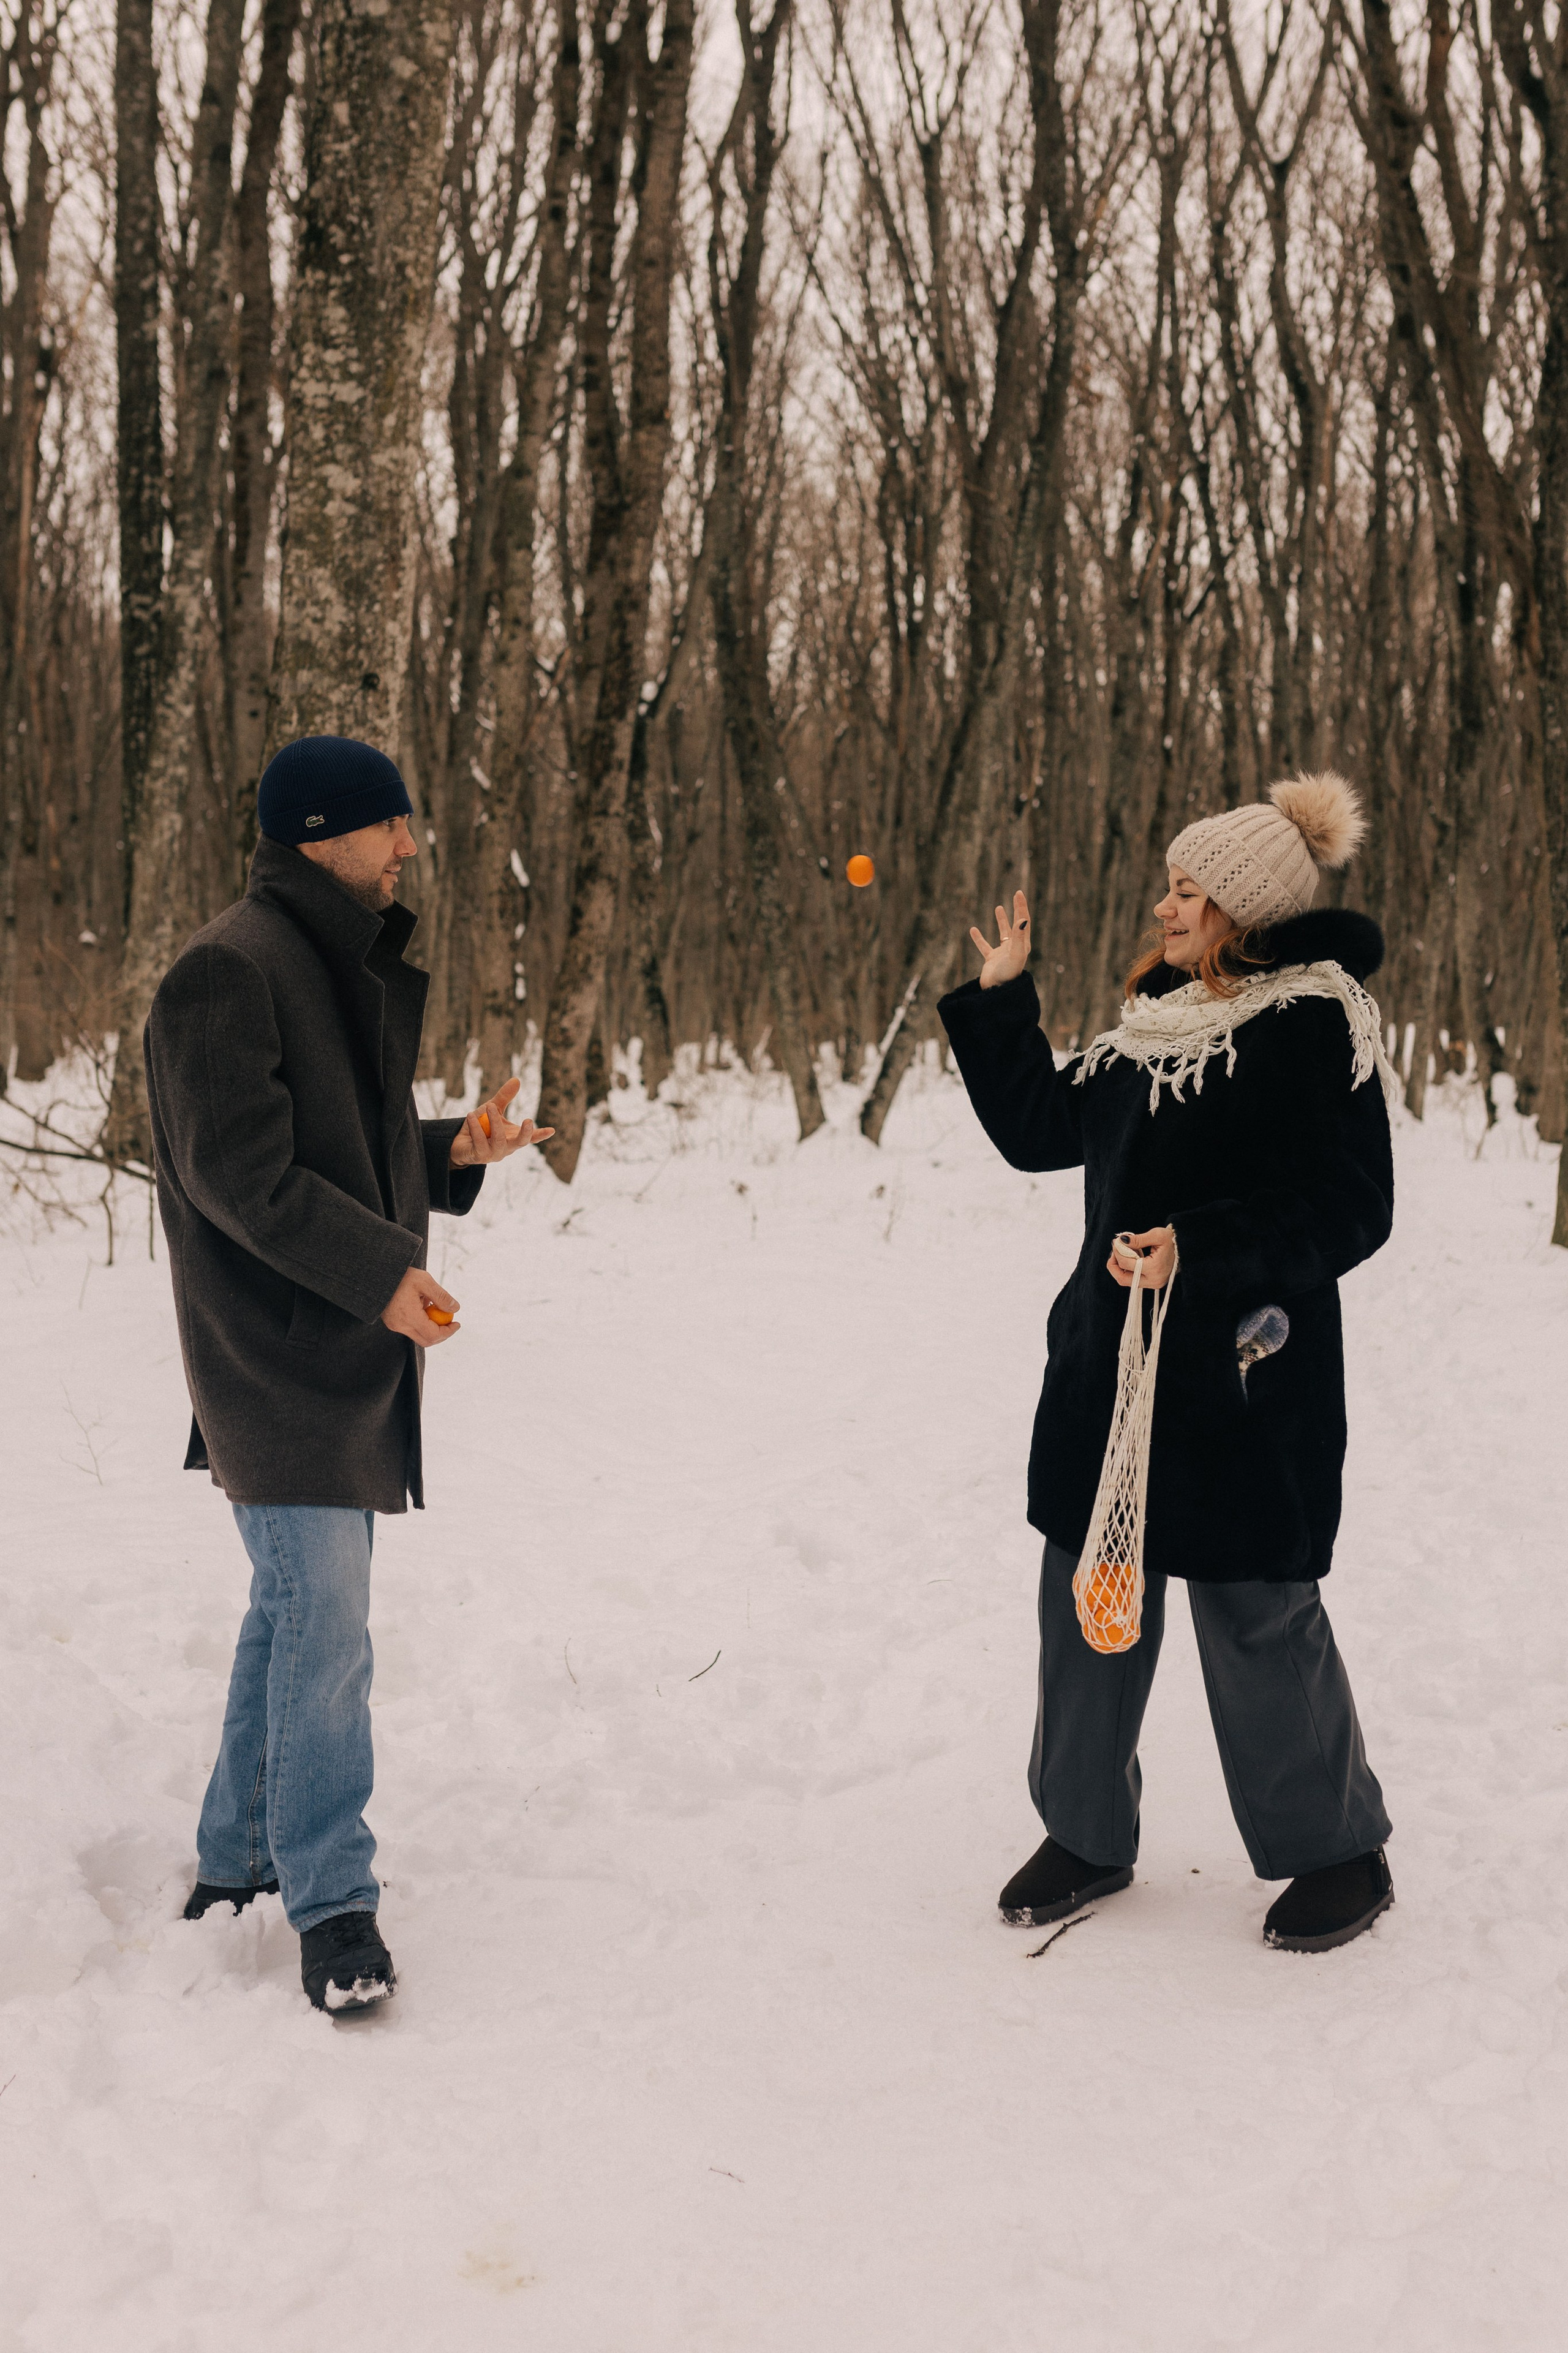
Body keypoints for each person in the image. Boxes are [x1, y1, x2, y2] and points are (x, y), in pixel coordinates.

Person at [939, 773, 1397, 1954]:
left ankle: (1340, 1849)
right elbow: (1044, 1131)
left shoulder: (1311, 1025)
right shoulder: (1151, 1025)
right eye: (1170, 885)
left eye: (1190, 891)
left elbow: (1353, 1205)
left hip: (1245, 1376)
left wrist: (1206, 1251)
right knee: (1092, 1596)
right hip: (1109, 1368)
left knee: (1256, 1610)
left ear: (1243, 910)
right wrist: (1003, 1004)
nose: (1166, 906)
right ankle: (1086, 1831)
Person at [145, 735, 551, 2013]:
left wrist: (453, 1150)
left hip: (332, 1351)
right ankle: (334, 1904)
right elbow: (243, 1178)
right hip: (269, 1359)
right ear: (325, 832)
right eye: (393, 826)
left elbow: (342, 1148)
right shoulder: (228, 969)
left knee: (292, 1614)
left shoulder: (322, 961)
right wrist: (382, 1272)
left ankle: (236, 1854)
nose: (409, 847)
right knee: (325, 1627)